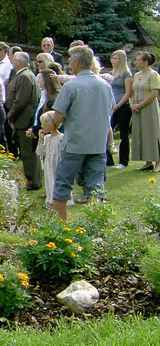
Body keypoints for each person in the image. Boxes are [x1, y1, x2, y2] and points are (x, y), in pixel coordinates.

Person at [50, 45, 115, 220]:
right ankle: (96, 228)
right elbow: (110, 110)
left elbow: (57, 117)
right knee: (97, 188)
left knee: (63, 186)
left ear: (77, 63)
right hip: (98, 143)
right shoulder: (105, 85)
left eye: (71, 60)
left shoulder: (71, 86)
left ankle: (59, 229)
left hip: (75, 144)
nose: (69, 64)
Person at [6, 52, 41, 191]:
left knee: (28, 153)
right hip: (22, 120)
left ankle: (33, 181)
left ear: (20, 61)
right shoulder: (22, 75)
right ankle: (31, 179)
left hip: (25, 120)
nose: (12, 62)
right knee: (26, 152)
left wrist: (10, 115)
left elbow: (21, 100)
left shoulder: (25, 76)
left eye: (14, 60)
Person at [130, 51, 160, 172]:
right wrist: (132, 104)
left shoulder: (153, 75)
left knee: (153, 133)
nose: (136, 62)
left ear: (145, 62)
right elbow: (133, 91)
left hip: (149, 106)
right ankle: (148, 161)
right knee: (142, 133)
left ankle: (158, 161)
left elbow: (154, 93)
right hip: (137, 106)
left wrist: (140, 105)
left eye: (138, 60)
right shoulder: (137, 75)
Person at [106, 50, 133, 170]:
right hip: (111, 107)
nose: (113, 60)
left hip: (123, 107)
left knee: (123, 134)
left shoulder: (126, 74)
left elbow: (128, 93)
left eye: (115, 58)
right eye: (112, 58)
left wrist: (117, 106)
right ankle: (109, 161)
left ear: (121, 60)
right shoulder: (110, 74)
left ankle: (123, 161)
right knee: (107, 131)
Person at [36, 111, 67, 206]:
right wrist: (40, 139)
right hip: (49, 163)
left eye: (43, 124)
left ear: (49, 125)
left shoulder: (61, 138)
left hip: (58, 163)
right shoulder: (47, 138)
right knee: (50, 180)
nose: (41, 126)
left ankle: (61, 199)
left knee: (58, 181)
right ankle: (51, 199)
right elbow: (40, 152)